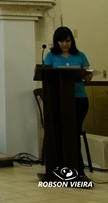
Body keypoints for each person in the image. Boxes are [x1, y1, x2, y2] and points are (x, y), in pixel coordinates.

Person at [43, 26, 92, 175]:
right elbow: (46, 76)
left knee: (73, 132)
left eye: (68, 41)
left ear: (72, 41)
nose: (65, 44)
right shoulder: (50, 56)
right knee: (59, 133)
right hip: (58, 101)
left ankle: (77, 167)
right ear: (56, 42)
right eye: (62, 41)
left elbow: (87, 76)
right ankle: (59, 166)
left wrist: (87, 76)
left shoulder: (80, 55)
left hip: (79, 99)